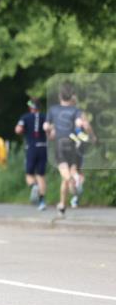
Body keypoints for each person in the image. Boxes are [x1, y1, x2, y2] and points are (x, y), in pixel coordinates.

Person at [45, 83, 90, 216]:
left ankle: (73, 179)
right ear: (72, 97)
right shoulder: (76, 110)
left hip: (61, 143)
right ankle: (62, 205)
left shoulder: (53, 110)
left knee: (64, 172)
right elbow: (80, 124)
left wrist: (49, 131)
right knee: (65, 178)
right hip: (74, 143)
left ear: (60, 96)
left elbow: (47, 127)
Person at [15, 99, 48, 210]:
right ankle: (42, 201)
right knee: (41, 175)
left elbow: (18, 130)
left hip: (31, 147)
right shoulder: (45, 117)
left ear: (31, 108)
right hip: (43, 147)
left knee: (29, 174)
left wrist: (24, 132)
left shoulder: (25, 117)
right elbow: (51, 132)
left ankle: (34, 186)